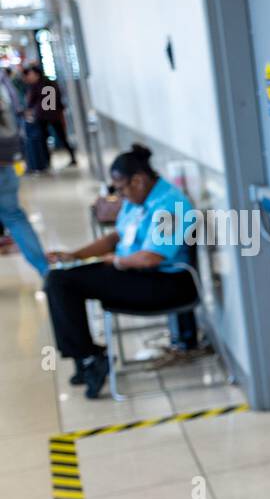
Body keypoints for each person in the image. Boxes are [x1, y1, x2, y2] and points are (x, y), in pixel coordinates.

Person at [44, 144, 198, 398]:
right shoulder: (137, 201)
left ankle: (88, 357)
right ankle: (86, 357)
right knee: (58, 279)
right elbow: (115, 236)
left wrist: (116, 262)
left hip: (165, 284)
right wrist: (75, 254)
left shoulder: (171, 205)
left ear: (138, 180)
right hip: (132, 273)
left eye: (122, 188)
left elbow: (150, 258)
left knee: (62, 283)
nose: (121, 195)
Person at [0, 71, 46, 276]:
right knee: (15, 217)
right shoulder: (5, 84)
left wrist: (46, 115)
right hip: (7, 161)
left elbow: (50, 104)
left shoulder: (45, 85)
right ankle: (45, 270)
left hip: (44, 119)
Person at [23, 65, 76, 166]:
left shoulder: (45, 84)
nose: (29, 77)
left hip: (49, 116)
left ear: (36, 74)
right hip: (47, 116)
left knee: (60, 137)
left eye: (31, 74)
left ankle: (70, 157)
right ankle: (47, 161)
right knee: (45, 139)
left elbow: (50, 101)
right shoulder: (36, 85)